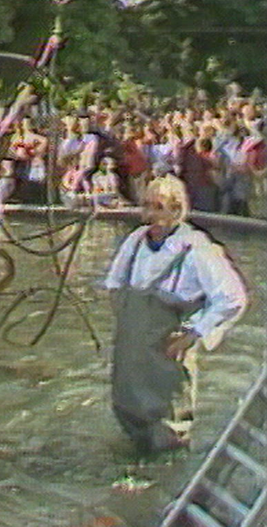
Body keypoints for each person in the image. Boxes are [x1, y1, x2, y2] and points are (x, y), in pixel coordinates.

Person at [102, 175, 248, 452]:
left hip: (167, 356)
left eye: (158, 207)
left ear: (176, 209)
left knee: (169, 431)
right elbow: (113, 284)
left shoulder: (196, 248)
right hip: (131, 359)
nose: (150, 215)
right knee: (128, 415)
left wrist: (194, 334)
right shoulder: (134, 241)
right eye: (146, 206)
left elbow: (232, 298)